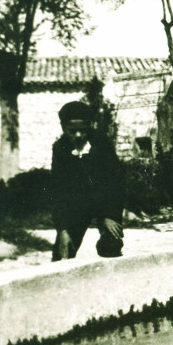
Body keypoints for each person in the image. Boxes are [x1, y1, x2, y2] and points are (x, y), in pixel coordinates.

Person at [50, 101, 125, 261]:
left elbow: (115, 181)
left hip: (104, 202)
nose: (78, 135)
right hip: (77, 206)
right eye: (72, 131)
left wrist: (110, 215)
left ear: (89, 126)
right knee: (62, 251)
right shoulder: (60, 149)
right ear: (63, 127)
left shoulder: (101, 143)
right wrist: (63, 230)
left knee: (110, 245)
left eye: (82, 130)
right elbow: (57, 190)